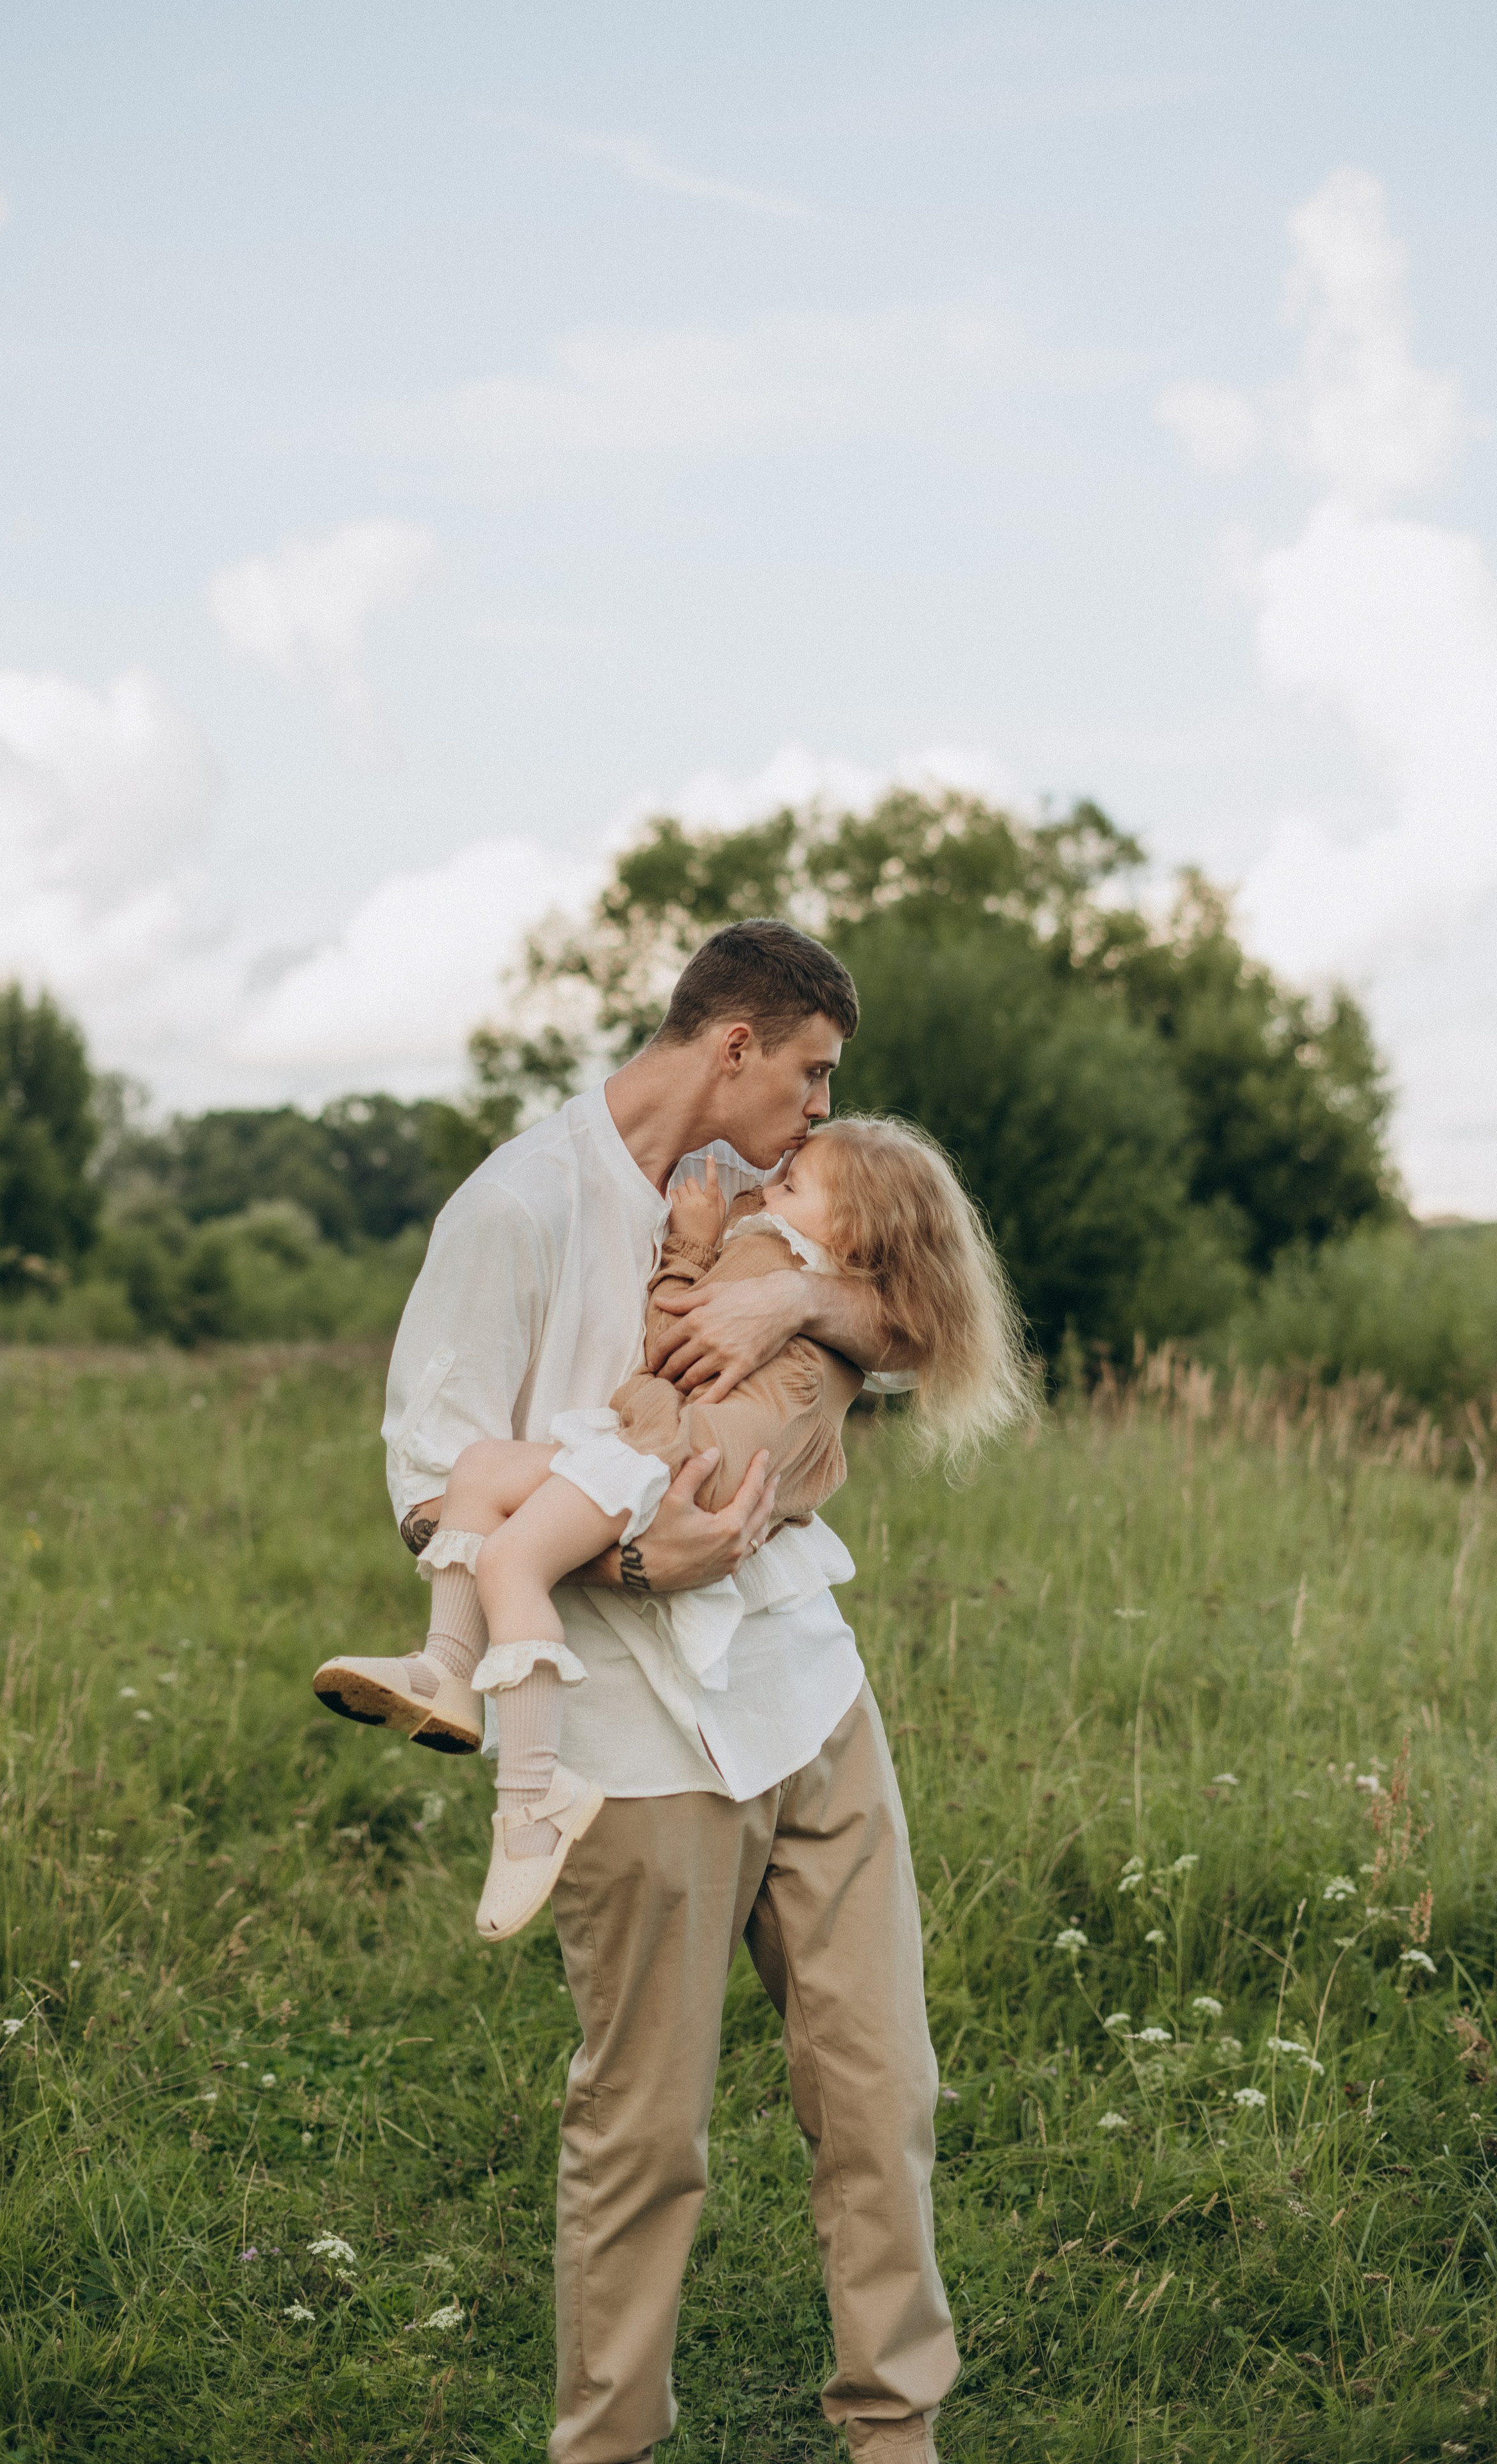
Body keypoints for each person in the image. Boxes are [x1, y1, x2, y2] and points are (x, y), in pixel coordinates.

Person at [364, 919, 1002, 2464]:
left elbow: (917, 1326)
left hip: (806, 1695)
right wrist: (642, 1566)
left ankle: (893, 2431)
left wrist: (794, 1307)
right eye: (807, 1075)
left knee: (879, 2090)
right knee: (644, 2135)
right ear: (732, 1048)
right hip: (631, 1736)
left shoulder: (775, 1208)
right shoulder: (516, 1210)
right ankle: (608, 2449)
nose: (816, 1111)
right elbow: (428, 1484)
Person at [316, 1115, 1029, 1947]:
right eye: (813, 1070)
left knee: (513, 1559)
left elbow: (674, 1339)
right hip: (664, 1445)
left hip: (678, 1459)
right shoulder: (784, 1244)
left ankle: (534, 1800)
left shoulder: (771, 1251)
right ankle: (447, 1666)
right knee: (477, 1472)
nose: (771, 1185)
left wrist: (693, 1250)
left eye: (793, 1188)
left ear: (854, 1230)